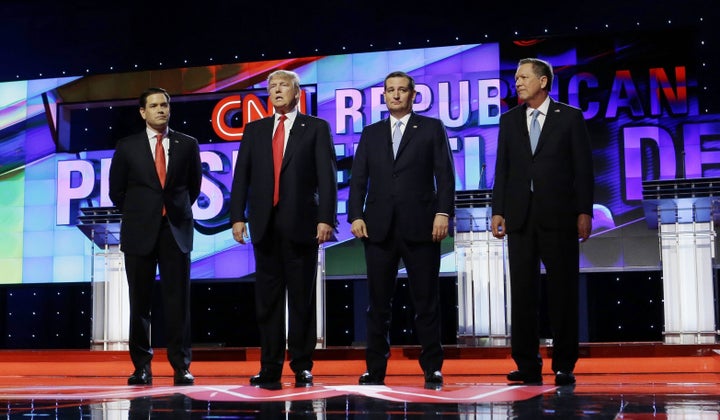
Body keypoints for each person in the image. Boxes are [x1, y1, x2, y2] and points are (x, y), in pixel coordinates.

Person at [230, 69, 337, 388]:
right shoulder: (255, 130)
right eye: (272, 86)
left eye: (283, 86)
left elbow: (327, 178)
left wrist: (326, 218)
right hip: (264, 226)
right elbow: (242, 178)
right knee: (268, 302)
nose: (276, 90)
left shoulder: (316, 128)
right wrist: (237, 216)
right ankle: (270, 366)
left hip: (303, 225)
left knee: (302, 300)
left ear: (297, 93)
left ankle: (302, 365)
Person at [348, 71, 455, 388]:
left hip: (422, 226)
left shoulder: (431, 128)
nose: (395, 95)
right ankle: (375, 369)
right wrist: (355, 214)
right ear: (384, 96)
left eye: (401, 90)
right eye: (390, 90)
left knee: (426, 301)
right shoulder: (371, 133)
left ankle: (432, 368)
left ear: (413, 95)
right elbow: (358, 179)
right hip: (378, 229)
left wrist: (442, 212)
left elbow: (445, 176)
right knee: (378, 305)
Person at [490, 58, 594, 386]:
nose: (517, 82)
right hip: (520, 217)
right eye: (516, 77)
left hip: (559, 215)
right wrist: (498, 210)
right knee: (522, 293)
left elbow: (583, 169)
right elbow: (502, 169)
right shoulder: (509, 121)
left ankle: (564, 364)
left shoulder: (570, 118)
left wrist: (584, 211)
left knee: (562, 291)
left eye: (523, 77)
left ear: (543, 81)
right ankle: (526, 365)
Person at [109, 87, 203, 386]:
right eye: (154, 106)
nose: (161, 110)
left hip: (175, 231)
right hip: (139, 232)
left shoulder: (187, 144)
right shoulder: (127, 146)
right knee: (139, 303)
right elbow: (116, 191)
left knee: (178, 304)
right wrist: (143, 212)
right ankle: (141, 367)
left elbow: (194, 187)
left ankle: (181, 366)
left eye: (165, 105)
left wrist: (170, 211)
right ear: (142, 112)